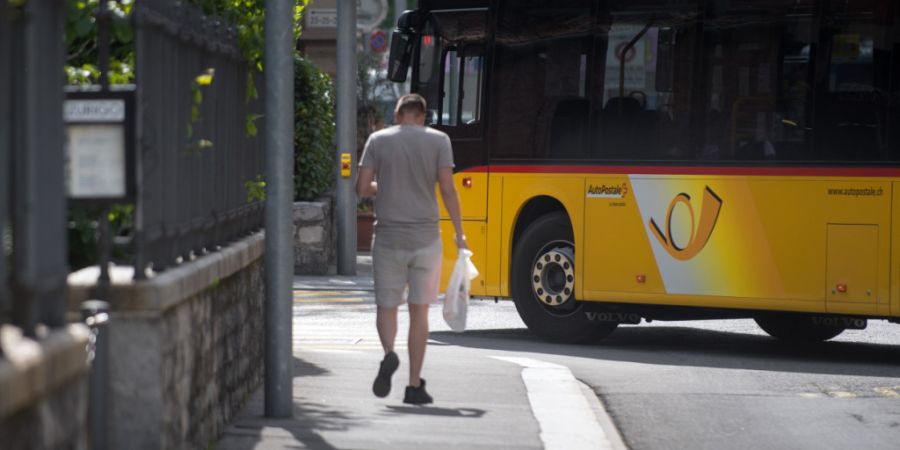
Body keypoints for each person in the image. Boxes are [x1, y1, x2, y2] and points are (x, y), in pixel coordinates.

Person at [356, 93, 467, 405]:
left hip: (388, 237)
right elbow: (448, 189)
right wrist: (460, 233)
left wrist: (385, 185)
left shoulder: (378, 140)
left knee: (387, 306)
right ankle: (414, 386)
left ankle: (389, 354)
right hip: (426, 239)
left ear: (397, 114)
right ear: (423, 115)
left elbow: (362, 189)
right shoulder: (439, 140)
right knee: (419, 311)